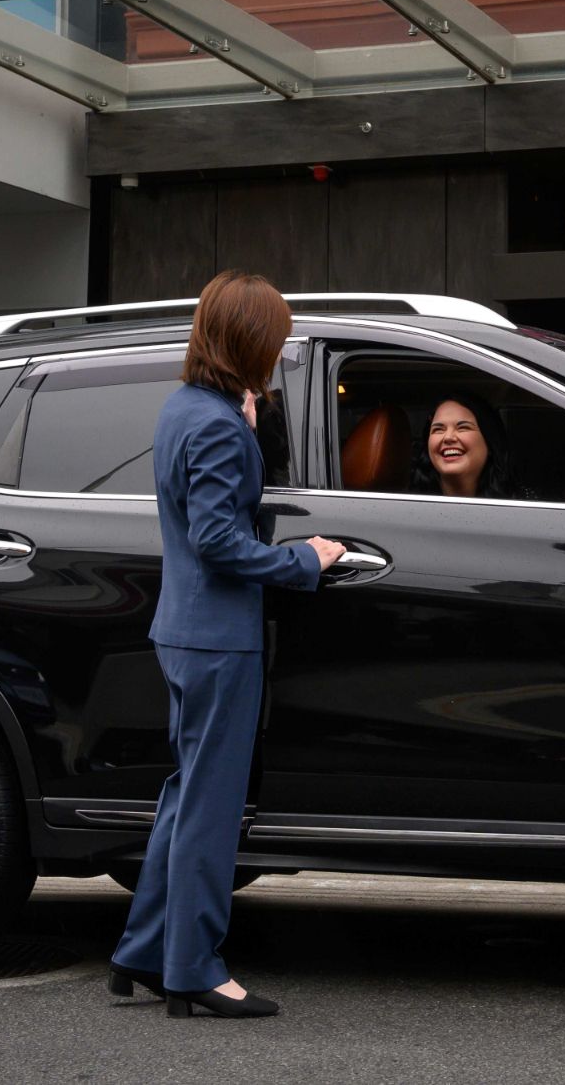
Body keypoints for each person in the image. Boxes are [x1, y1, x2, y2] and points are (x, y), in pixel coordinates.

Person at [109, 271, 346, 1020]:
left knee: (186, 799)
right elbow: (218, 540)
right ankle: (194, 969)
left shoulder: (187, 408)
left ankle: (144, 951)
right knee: (209, 809)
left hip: (186, 632)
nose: (279, 350)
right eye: (273, 338)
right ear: (249, 341)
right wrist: (304, 559)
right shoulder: (215, 423)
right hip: (217, 639)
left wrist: (247, 422)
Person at [410, 391, 519, 499]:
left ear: (489, 441)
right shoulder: (408, 502)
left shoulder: (521, 505)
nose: (448, 437)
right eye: (438, 429)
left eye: (463, 428)